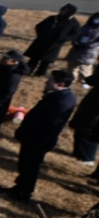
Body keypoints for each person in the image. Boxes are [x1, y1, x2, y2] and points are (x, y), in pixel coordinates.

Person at [5, 70, 77, 202]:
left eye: (50, 80)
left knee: (30, 166)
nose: (46, 82)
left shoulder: (63, 100)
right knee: (25, 164)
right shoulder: (59, 96)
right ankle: (19, 187)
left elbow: (49, 123)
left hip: (39, 139)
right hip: (35, 137)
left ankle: (24, 192)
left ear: (60, 84)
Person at [25, 5, 81, 76]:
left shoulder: (73, 23)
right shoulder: (52, 18)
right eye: (62, 10)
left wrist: (63, 38)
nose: (63, 12)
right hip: (41, 42)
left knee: (45, 61)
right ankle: (27, 71)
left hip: (54, 44)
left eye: (65, 11)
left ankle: (39, 74)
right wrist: (41, 35)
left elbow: (75, 34)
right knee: (34, 58)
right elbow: (39, 26)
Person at [69, 72, 99, 167]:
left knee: (88, 132)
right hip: (92, 105)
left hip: (94, 109)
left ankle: (87, 158)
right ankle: (79, 154)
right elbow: (90, 80)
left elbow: (91, 80)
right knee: (82, 131)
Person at [65, 12, 99, 87]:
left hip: (89, 52)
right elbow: (77, 35)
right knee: (72, 67)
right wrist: (75, 42)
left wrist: (87, 46)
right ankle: (71, 80)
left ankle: (85, 83)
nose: (97, 20)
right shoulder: (86, 26)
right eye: (96, 18)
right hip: (77, 49)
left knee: (85, 69)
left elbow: (97, 43)